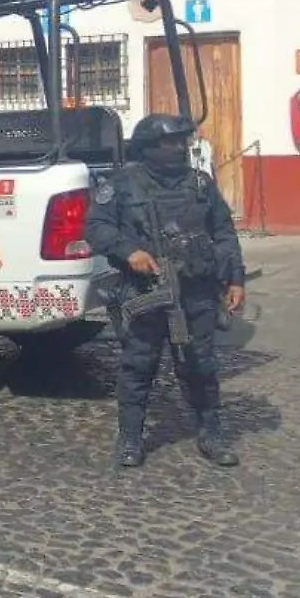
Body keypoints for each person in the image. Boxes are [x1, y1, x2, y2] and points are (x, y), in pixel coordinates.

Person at [85, 113, 247, 469]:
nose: (179, 148)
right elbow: (96, 227)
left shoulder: (201, 184)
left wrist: (235, 279)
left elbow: (223, 233)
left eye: (181, 142)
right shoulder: (123, 184)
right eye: (170, 142)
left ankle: (211, 431)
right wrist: (130, 252)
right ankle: (130, 437)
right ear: (149, 146)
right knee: (138, 366)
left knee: (201, 365)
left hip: (198, 293)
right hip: (146, 292)